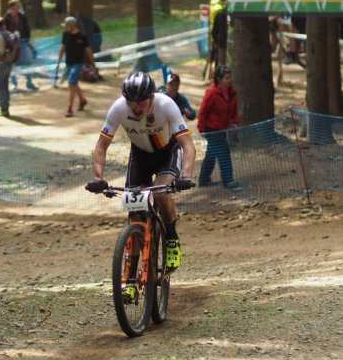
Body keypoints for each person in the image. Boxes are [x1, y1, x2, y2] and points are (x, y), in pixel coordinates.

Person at [86, 72, 196, 274]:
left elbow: (187, 145)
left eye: (142, 103)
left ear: (152, 98)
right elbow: (101, 147)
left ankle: (171, 237)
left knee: (161, 194)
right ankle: (130, 277)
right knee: (135, 212)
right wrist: (97, 177)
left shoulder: (166, 104)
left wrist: (186, 175)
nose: (136, 108)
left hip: (167, 154)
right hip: (140, 157)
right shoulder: (119, 108)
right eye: (131, 103)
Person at [197, 65, 241, 189]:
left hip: (223, 128)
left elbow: (234, 110)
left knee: (211, 154)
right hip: (212, 129)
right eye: (226, 78)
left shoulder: (232, 92)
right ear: (219, 79)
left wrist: (236, 121)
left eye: (230, 77)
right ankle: (228, 181)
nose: (229, 80)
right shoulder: (211, 93)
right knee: (224, 152)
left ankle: (204, 179)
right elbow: (203, 112)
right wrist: (201, 128)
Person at [57, 16, 95, 118]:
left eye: (67, 26)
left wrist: (93, 63)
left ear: (72, 25)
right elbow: (63, 48)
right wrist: (58, 61)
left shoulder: (82, 36)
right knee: (74, 83)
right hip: (68, 63)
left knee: (70, 83)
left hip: (78, 63)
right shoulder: (65, 35)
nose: (65, 28)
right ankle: (82, 100)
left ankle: (69, 108)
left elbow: (88, 50)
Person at [3, 0, 38, 91]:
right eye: (16, 5)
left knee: (27, 61)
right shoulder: (6, 17)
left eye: (19, 5)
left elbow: (27, 29)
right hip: (11, 45)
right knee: (12, 63)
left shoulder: (22, 16)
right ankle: (14, 84)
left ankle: (29, 82)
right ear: (11, 6)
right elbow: (4, 31)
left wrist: (26, 39)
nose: (18, 7)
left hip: (22, 43)